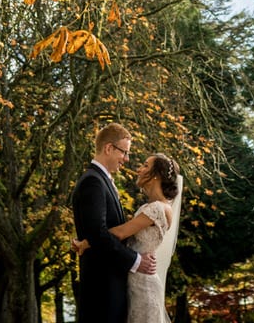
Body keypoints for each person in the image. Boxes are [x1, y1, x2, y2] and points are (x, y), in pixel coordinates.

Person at [74, 152, 182, 323]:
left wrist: (87, 243)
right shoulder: (153, 207)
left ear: (155, 176)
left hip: (144, 286)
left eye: (145, 166)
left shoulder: (157, 209)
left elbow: (121, 232)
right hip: (135, 281)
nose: (139, 169)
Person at [71, 123, 157, 323]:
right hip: (102, 290)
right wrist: (136, 260)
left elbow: (99, 232)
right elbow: (98, 234)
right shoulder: (93, 182)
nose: (126, 159)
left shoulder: (100, 180)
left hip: (110, 287)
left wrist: (84, 241)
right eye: (124, 152)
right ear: (108, 148)